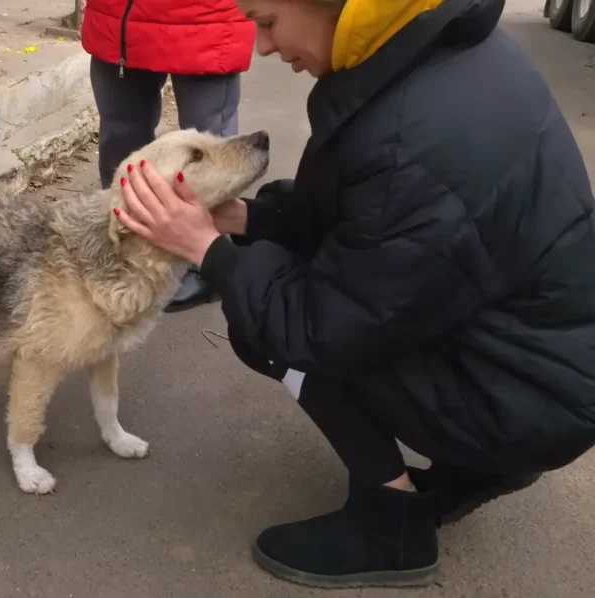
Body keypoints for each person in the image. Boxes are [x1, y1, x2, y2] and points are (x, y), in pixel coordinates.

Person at [113, 0, 595, 589]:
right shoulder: (433, 51)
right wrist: (251, 220)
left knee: (265, 326)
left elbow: (315, 326)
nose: (261, 46)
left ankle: (390, 527)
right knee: (276, 285)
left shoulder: (408, 139)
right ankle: (474, 466)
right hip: (542, 361)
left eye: (266, 20)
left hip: (532, 397)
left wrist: (209, 252)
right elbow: (361, 220)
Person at [80, 0, 257, 312]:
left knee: (212, 155)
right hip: (120, 16)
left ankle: (206, 257)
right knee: (121, 150)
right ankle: (124, 250)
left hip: (205, 16)